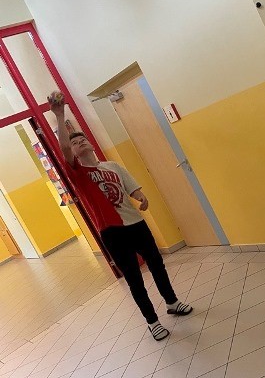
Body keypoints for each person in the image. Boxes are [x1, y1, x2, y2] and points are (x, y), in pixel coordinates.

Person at [50, 92, 192, 341]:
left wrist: (140, 196)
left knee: (157, 264)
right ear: (73, 153)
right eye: (75, 143)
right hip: (112, 231)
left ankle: (172, 302)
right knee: (134, 279)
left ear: (91, 144)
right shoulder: (78, 173)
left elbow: (130, 186)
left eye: (83, 139)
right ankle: (152, 322)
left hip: (136, 224)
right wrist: (60, 116)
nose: (80, 142)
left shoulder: (112, 166)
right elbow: (63, 148)